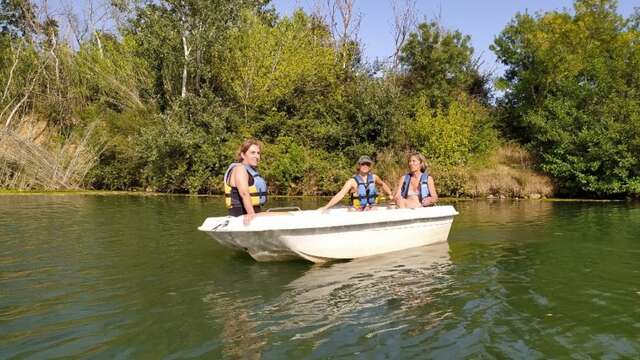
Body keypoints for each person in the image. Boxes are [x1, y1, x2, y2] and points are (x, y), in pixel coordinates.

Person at [319, 155, 394, 211]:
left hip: (372, 208)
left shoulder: (374, 177)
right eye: (363, 164)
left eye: (367, 164)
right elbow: (340, 194)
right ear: (359, 165)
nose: (365, 166)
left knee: (375, 209)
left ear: (370, 166)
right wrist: (326, 206)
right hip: (358, 210)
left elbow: (382, 184)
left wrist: (390, 195)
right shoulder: (352, 181)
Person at [224, 139, 267, 224]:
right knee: (286, 216)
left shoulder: (250, 171)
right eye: (252, 153)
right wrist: (251, 214)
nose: (257, 156)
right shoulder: (240, 169)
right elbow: (244, 193)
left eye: (258, 153)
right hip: (241, 215)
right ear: (243, 155)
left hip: (254, 213)